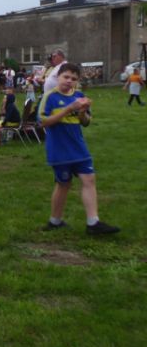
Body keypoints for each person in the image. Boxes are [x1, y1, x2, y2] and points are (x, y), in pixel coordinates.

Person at [38, 62, 119, 235]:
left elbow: (86, 122)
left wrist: (82, 111)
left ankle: (93, 223)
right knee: (63, 184)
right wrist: (68, 109)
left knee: (89, 180)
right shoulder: (50, 97)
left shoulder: (79, 96)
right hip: (59, 150)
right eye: (66, 77)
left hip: (79, 148)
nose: (69, 81)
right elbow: (43, 122)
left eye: (73, 79)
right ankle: (55, 221)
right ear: (58, 77)